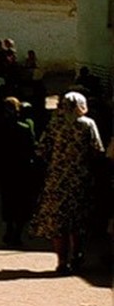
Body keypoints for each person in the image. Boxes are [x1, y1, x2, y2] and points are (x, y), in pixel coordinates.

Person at [28, 92, 104, 274]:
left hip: (57, 180)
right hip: (80, 179)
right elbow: (97, 150)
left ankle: (62, 261)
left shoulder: (55, 124)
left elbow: (42, 150)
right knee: (77, 221)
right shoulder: (87, 124)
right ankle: (77, 255)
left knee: (58, 223)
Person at [0, 98, 38, 248]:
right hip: (23, 168)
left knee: (8, 200)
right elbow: (33, 145)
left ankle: (9, 229)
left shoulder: (0, 125)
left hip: (6, 168)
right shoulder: (26, 126)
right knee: (23, 201)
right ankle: (18, 232)